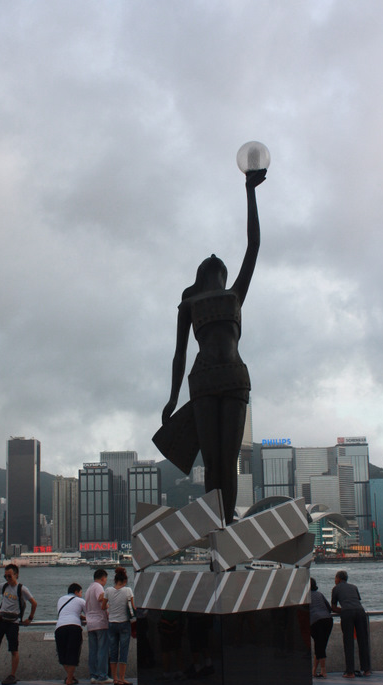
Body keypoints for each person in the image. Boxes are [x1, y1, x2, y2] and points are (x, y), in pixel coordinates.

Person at [157, 168, 267, 525]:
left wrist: (250, 191)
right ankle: (217, 523)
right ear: (206, 273)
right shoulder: (189, 303)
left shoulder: (235, 294)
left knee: (227, 459)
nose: (216, 258)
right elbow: (179, 354)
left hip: (232, 378)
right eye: (212, 263)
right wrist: (172, 398)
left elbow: (254, 245)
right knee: (213, 461)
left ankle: (227, 524)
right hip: (205, 381)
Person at [331, 570, 371, 678]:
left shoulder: (336, 589)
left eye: (335, 578)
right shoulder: (354, 587)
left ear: (338, 579)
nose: (335, 580)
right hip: (360, 611)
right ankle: (366, 669)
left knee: (348, 641)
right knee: (363, 640)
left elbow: (333, 607)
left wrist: (343, 610)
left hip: (347, 613)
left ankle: (350, 672)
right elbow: (357, 601)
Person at [102, 566, 135, 685]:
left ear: (115, 580)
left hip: (112, 623)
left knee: (113, 651)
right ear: (125, 581)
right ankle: (122, 678)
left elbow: (103, 606)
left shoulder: (108, 590)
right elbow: (133, 607)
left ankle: (114, 678)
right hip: (124, 623)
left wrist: (111, 606)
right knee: (123, 651)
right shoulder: (128, 590)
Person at [84, 569, 112, 685]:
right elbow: (101, 602)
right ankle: (102, 676)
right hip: (100, 622)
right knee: (102, 650)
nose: (106, 581)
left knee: (93, 651)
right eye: (106, 579)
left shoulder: (88, 589)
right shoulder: (99, 587)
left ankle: (93, 675)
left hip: (90, 623)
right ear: (103, 578)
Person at [55, 583, 85, 685]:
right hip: (74, 627)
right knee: (73, 653)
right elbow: (89, 613)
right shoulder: (80, 601)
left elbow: (66, 612)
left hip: (60, 627)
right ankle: (69, 679)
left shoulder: (60, 599)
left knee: (62, 654)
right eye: (81, 592)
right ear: (76, 592)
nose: (81, 594)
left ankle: (70, 676)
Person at [309, 577, 333, 679]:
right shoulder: (319, 594)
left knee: (319, 646)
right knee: (321, 646)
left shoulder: (305, 596)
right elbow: (329, 608)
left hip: (315, 621)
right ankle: (314, 670)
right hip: (328, 620)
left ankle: (323, 670)